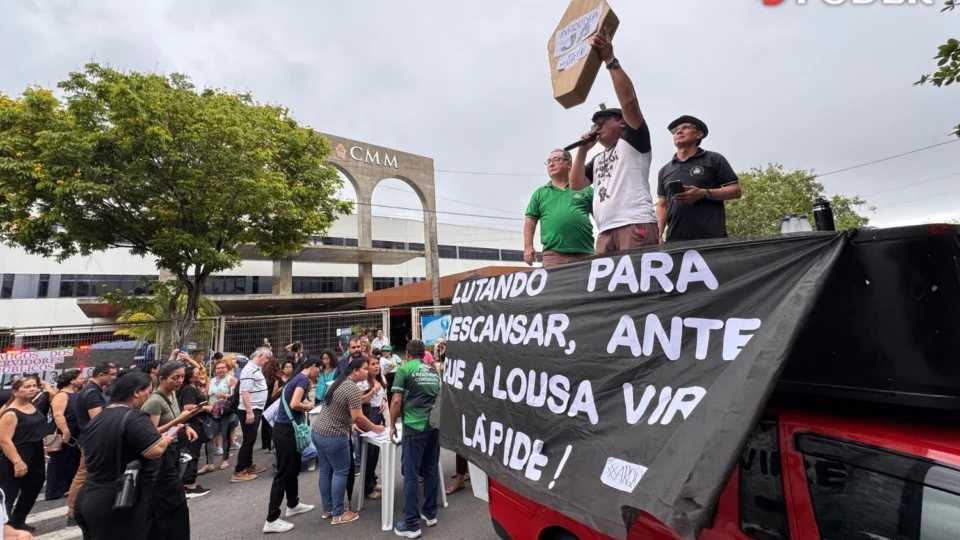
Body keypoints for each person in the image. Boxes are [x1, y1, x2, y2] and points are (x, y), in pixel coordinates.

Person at [570, 29, 659, 254]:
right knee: (608, 289)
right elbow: (577, 184)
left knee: (638, 285)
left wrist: (610, 60)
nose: (596, 128)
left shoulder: (632, 142)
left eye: (602, 122)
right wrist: (582, 151)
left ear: (621, 123)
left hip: (634, 224)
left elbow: (629, 102)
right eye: (594, 125)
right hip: (605, 230)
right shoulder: (599, 158)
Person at [74, 371, 171, 540]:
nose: (148, 396)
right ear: (136, 392)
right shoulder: (134, 416)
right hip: (117, 499)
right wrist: (166, 439)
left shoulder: (99, 417)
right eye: (148, 391)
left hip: (89, 495)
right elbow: (154, 449)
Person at [311, 358, 384, 525]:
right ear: (355, 371)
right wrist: (375, 428)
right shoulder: (351, 387)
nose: (367, 371)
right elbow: (358, 416)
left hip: (318, 431)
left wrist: (352, 423)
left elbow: (349, 406)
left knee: (326, 472)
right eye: (365, 369)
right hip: (334, 435)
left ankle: (328, 509)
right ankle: (339, 514)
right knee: (341, 472)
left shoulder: (340, 382)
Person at [656, 115, 742, 241]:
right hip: (675, 241)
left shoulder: (713, 159)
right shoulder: (665, 170)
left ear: (699, 134)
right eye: (675, 131)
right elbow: (662, 205)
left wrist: (704, 193)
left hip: (711, 239)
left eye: (685, 127)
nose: (678, 132)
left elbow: (736, 191)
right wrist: (658, 234)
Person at [390, 339, 442, 538]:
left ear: (408, 354)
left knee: (411, 474)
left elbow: (396, 401)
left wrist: (392, 424)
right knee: (430, 469)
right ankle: (430, 513)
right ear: (424, 354)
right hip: (433, 425)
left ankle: (411, 523)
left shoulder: (404, 370)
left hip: (414, 426)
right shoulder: (432, 371)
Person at [142, 361, 199, 539]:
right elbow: (149, 434)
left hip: (173, 450)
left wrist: (184, 426)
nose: (179, 380)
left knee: (176, 501)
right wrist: (178, 421)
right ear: (161, 379)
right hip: (160, 455)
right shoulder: (154, 401)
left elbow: (174, 420)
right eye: (175, 377)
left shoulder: (173, 394)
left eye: (182, 376)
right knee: (168, 501)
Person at [263, 359, 321, 533]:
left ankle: (293, 504)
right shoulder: (302, 379)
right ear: (313, 367)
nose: (318, 373)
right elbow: (294, 404)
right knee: (283, 472)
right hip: (286, 431)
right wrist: (308, 405)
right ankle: (271, 519)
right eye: (318, 370)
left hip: (285, 431)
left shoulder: (295, 379)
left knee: (293, 468)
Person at [67, 362, 117, 527]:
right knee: (83, 474)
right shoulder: (91, 393)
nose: (114, 378)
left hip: (91, 438)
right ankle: (72, 512)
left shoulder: (94, 390)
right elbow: (98, 419)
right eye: (111, 374)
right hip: (91, 440)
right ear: (101, 375)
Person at [525, 149, 595, 267]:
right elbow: (530, 220)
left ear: (569, 164)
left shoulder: (585, 188)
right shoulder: (540, 193)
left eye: (556, 160)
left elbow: (600, 215)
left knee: (586, 286)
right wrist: (528, 246)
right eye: (548, 162)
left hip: (585, 253)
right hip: (553, 256)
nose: (551, 164)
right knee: (555, 286)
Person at [0, 379, 46, 534]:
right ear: (15, 391)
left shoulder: (32, 405)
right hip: (17, 455)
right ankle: (3, 528)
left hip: (36, 454)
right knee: (8, 494)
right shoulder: (11, 412)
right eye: (27, 387)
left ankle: (18, 521)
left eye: (34, 386)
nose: (32, 389)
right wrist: (17, 461)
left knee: (33, 488)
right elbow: (4, 440)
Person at [45, 370, 84, 501]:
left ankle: (68, 487)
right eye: (80, 378)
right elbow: (58, 415)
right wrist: (66, 431)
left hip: (75, 432)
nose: (82, 379)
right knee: (59, 461)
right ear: (72, 380)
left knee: (72, 460)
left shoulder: (76, 394)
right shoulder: (62, 395)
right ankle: (55, 490)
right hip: (64, 431)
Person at [233, 346, 270, 483]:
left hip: (256, 408)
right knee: (248, 440)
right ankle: (239, 470)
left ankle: (248, 465)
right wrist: (249, 411)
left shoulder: (255, 368)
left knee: (252, 438)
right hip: (250, 409)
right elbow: (245, 392)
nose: (266, 361)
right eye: (265, 358)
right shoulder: (248, 370)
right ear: (260, 356)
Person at [178, 365, 212, 498]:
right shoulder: (188, 390)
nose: (201, 375)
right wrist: (205, 408)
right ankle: (189, 485)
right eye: (198, 373)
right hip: (192, 425)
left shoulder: (192, 388)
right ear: (191, 377)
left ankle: (189, 483)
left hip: (196, 424)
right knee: (192, 452)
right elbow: (187, 408)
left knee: (193, 452)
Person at [207, 358, 237, 471]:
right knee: (210, 435)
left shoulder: (232, 379)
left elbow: (236, 396)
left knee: (225, 435)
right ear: (214, 369)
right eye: (218, 368)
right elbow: (207, 395)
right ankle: (209, 462)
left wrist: (225, 395)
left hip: (226, 411)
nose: (220, 370)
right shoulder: (211, 380)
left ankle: (225, 460)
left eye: (223, 368)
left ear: (227, 368)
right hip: (213, 411)